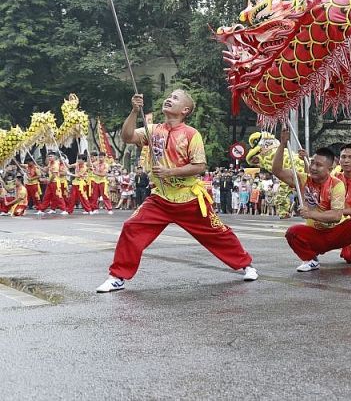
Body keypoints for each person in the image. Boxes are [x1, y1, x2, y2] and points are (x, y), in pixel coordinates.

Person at [96, 90, 258, 292]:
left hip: (189, 198)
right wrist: (134, 111)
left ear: (185, 110)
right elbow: (127, 136)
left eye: (175, 98)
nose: (168, 99)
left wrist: (168, 171)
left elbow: (199, 166)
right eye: (169, 96)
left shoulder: (191, 134)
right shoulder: (153, 129)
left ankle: (245, 265)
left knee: (218, 233)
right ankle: (117, 277)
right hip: (160, 199)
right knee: (131, 227)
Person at [273, 130, 351, 272]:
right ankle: (310, 260)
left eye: (319, 165)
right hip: (316, 232)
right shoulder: (303, 180)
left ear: (329, 168)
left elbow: (335, 216)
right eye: (312, 164)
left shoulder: (337, 184)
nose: (314, 168)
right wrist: (283, 144)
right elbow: (277, 170)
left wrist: (311, 214)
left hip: (339, 231)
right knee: (292, 232)